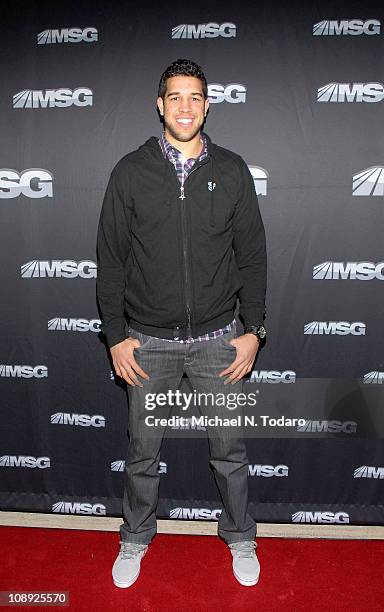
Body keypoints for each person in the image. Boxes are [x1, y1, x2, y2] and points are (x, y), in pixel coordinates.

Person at [96, 58, 267, 588]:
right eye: (175, 97)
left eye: (195, 97)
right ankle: (135, 539)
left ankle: (240, 536)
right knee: (143, 454)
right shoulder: (130, 170)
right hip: (148, 344)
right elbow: (112, 261)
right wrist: (117, 337)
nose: (185, 107)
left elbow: (253, 255)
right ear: (160, 104)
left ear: (208, 104)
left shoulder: (232, 169)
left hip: (219, 342)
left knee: (230, 452)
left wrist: (254, 330)